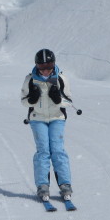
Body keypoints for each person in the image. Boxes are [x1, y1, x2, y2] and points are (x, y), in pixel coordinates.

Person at [21, 49, 73, 201]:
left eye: (49, 66)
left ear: (54, 64)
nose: (45, 71)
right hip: (38, 118)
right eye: (41, 67)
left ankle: (65, 184)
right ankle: (43, 186)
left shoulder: (61, 78)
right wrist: (32, 99)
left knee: (57, 150)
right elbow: (23, 101)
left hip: (57, 118)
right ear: (36, 65)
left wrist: (58, 99)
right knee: (43, 150)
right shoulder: (30, 79)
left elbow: (69, 101)